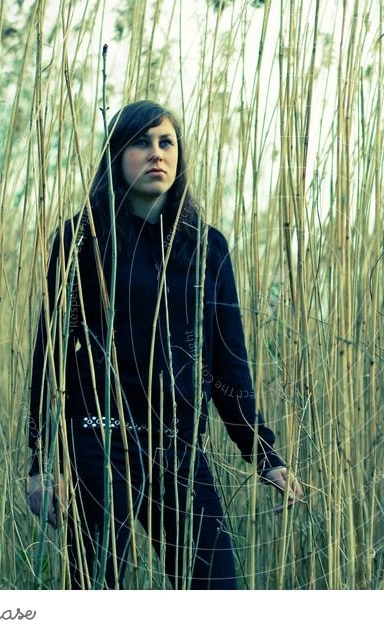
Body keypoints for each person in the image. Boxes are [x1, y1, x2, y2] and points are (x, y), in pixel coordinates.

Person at [25, 99, 303, 589]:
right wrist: (42, 462)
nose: (156, 153)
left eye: (166, 142)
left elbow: (228, 365)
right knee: (96, 592)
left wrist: (264, 456)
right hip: (99, 442)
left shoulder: (206, 246)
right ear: (116, 156)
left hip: (177, 447)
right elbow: (50, 356)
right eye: (141, 142)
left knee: (215, 589)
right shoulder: (82, 239)